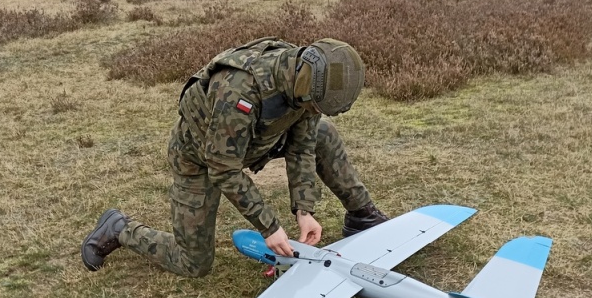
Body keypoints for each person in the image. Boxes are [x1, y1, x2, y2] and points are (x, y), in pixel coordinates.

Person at [82, 36, 390, 277]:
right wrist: (269, 227)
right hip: (200, 159)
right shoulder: (239, 90)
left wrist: (304, 210)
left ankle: (361, 215)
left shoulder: (309, 83)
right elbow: (223, 169)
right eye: (313, 106)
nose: (312, 112)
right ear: (304, 84)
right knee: (193, 263)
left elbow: (302, 147)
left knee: (324, 133)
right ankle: (119, 228)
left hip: (256, 141)